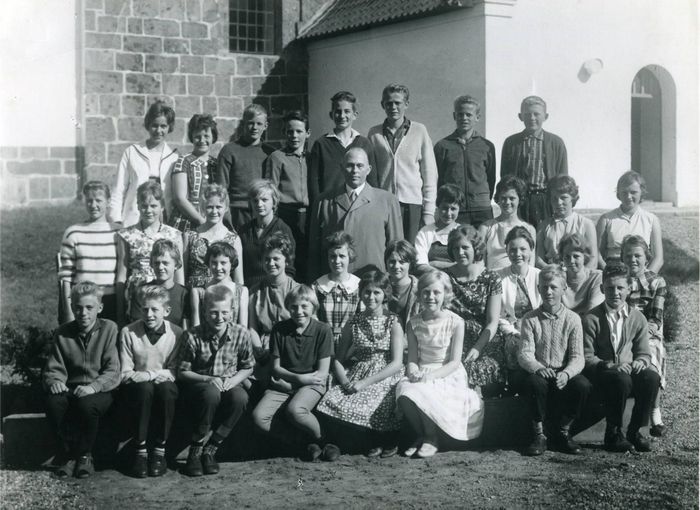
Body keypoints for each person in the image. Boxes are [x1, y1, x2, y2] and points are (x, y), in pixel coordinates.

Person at [395, 271, 484, 458]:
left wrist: (430, 376)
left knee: (426, 390)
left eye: (436, 292)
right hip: (422, 369)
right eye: (426, 292)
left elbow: (454, 362)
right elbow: (412, 357)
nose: (431, 297)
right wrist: (413, 371)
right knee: (404, 393)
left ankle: (431, 439)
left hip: (447, 373)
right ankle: (423, 435)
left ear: (446, 294)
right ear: (419, 295)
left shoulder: (456, 322)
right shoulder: (413, 323)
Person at [316, 270, 405, 458]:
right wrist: (346, 382)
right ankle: (349, 442)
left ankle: (383, 439)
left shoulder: (393, 321)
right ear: (361, 293)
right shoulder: (354, 322)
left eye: (376, 292)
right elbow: (338, 359)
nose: (371, 297)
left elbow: (397, 362)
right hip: (360, 369)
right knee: (333, 398)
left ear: (385, 294)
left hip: (386, 372)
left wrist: (365, 383)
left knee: (374, 398)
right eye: (367, 292)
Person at [251, 285, 340, 462]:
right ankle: (301, 442)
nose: (299, 311)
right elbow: (276, 367)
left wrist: (297, 384)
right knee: (258, 418)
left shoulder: (322, 330)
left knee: (295, 410)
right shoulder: (280, 329)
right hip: (285, 383)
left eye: (304, 306)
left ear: (313, 307)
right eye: (293, 306)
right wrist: (296, 380)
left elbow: (322, 373)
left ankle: (324, 440)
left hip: (313, 383)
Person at [43, 282, 120, 479]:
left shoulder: (109, 329)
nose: (83, 313)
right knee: (54, 403)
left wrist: (94, 387)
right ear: (72, 308)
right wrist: (56, 381)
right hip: (72, 387)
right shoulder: (62, 333)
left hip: (100, 389)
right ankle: (68, 454)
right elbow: (53, 368)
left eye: (89, 307)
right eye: (78, 307)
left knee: (87, 405)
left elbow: (113, 369)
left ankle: (85, 455)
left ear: (99, 308)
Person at [177, 284, 255, 476]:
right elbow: (182, 372)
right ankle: (195, 451)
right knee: (211, 393)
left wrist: (234, 380)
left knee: (241, 398)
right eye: (213, 312)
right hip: (200, 385)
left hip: (228, 382)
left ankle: (211, 448)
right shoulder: (192, 335)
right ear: (204, 311)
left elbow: (248, 366)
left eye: (224, 312)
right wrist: (208, 378)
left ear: (232, 311)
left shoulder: (241, 333)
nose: (219, 318)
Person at [512, 265, 591, 456]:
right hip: (540, 371)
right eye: (544, 287)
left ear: (564, 289)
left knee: (583, 385)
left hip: (562, 371)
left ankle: (563, 431)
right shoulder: (530, 319)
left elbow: (578, 356)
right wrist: (537, 368)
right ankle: (539, 434)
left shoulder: (573, 319)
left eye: (554, 287)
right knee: (533, 383)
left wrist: (567, 373)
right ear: (538, 288)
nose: (548, 291)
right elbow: (525, 353)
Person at [582, 261, 659, 453]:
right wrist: (609, 365)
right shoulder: (592, 318)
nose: (615, 293)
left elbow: (643, 352)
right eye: (609, 288)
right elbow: (586, 356)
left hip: (626, 370)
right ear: (602, 289)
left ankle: (637, 430)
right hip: (602, 372)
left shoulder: (637, 317)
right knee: (621, 379)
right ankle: (613, 432)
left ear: (629, 289)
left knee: (651, 378)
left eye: (620, 288)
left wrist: (641, 362)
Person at [308, 147, 403, 277]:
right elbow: (314, 251)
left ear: (368, 169)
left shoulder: (387, 201)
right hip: (334, 282)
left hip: (372, 283)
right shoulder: (323, 201)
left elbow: (397, 249)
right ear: (341, 168)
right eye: (349, 165)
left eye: (360, 166)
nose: (354, 171)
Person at [119, 285, 182, 477]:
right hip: (138, 390)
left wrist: (149, 375)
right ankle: (140, 451)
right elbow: (125, 372)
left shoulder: (176, 334)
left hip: (163, 385)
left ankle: (159, 451)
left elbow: (174, 370)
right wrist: (145, 378)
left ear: (166, 311)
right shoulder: (129, 332)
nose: (149, 314)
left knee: (167, 389)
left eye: (155, 309)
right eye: (145, 309)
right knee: (144, 388)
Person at [368, 83, 438, 243]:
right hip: (384, 203)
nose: (393, 107)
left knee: (411, 251)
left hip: (412, 204)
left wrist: (428, 211)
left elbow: (430, 174)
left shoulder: (419, 131)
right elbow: (371, 174)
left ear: (406, 104)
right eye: (389, 103)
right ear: (382, 105)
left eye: (397, 102)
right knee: (388, 249)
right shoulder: (374, 134)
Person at [445, 225, 504, 395]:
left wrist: (478, 348)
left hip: (484, 339)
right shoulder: (444, 277)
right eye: (455, 248)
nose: (460, 252)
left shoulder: (491, 278)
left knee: (489, 373)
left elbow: (493, 322)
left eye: (465, 247)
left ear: (476, 248)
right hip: (453, 338)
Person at [116, 181, 183, 326]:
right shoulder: (127, 234)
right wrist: (120, 309)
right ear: (138, 206)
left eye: (153, 206)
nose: (148, 210)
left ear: (162, 206)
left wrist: (179, 302)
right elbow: (122, 272)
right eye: (144, 205)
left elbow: (179, 272)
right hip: (137, 294)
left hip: (165, 292)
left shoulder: (174, 234)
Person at [622, 235, 668, 437]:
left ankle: (654, 411)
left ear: (646, 258)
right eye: (628, 255)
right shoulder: (619, 280)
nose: (633, 260)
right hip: (622, 332)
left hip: (647, 332)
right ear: (622, 257)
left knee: (651, 359)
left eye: (637, 255)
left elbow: (656, 318)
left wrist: (639, 335)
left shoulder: (656, 281)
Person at [58, 180, 120, 324]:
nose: (93, 205)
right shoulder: (73, 233)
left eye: (98, 200)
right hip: (82, 302)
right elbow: (65, 277)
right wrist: (68, 312)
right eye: (89, 200)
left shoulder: (118, 232)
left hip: (111, 300)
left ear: (108, 201)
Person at [500, 96, 568, 226]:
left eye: (536, 114)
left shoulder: (556, 143)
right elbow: (505, 176)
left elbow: (562, 177)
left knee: (545, 238)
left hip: (546, 200)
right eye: (527, 114)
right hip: (520, 200)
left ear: (545, 116)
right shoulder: (511, 143)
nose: (532, 118)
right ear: (520, 116)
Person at [110, 100, 178, 227]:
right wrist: (116, 220)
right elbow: (118, 188)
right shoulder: (132, 152)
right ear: (148, 125)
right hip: (134, 218)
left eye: (163, 126)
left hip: (164, 220)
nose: (158, 130)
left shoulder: (174, 157)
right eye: (154, 125)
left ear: (169, 127)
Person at [434, 94, 496, 227]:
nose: (464, 118)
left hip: (481, 209)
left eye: (469, 115)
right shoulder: (442, 146)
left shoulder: (486, 146)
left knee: (482, 245)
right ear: (454, 116)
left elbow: (491, 178)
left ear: (477, 117)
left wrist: (481, 198)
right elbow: (439, 179)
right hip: (455, 209)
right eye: (460, 114)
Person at [248, 232, 301, 384]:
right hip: (262, 350)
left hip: (290, 347)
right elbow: (252, 327)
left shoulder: (297, 290)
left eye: (276, 259)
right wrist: (258, 350)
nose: (271, 264)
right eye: (267, 259)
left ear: (286, 260)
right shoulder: (255, 291)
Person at [264, 111, 311, 280]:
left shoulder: (311, 157)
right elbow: (272, 190)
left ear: (307, 133)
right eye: (290, 131)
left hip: (308, 216)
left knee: (306, 259)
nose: (294, 136)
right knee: (288, 256)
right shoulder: (277, 158)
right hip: (286, 214)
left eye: (299, 131)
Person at [308, 91, 377, 204]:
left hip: (359, 205)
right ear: (331, 114)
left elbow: (372, 180)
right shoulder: (321, 144)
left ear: (355, 115)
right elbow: (314, 182)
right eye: (338, 111)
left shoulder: (365, 144)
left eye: (347, 111)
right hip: (330, 205)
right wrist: (318, 207)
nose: (342, 116)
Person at [216, 103, 274, 230]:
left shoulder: (270, 153)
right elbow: (221, 187)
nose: (254, 127)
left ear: (266, 126)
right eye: (250, 123)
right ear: (243, 124)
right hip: (237, 212)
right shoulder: (229, 150)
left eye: (259, 124)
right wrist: (226, 214)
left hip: (263, 211)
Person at [596, 171, 664, 272]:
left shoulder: (651, 220)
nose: (628, 196)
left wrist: (645, 279)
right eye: (624, 192)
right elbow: (596, 253)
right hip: (613, 273)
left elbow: (658, 258)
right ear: (618, 193)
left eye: (633, 192)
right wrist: (609, 273)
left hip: (641, 272)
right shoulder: (606, 219)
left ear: (642, 192)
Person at [495, 227, 541, 374]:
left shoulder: (540, 276)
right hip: (510, 334)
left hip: (538, 332)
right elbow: (499, 316)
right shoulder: (498, 277)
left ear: (531, 250)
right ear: (507, 251)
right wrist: (513, 333)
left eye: (523, 249)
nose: (518, 254)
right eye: (513, 250)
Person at [183, 183, 244, 288]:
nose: (214, 211)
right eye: (210, 207)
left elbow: (239, 280)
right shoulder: (189, 236)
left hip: (222, 297)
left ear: (226, 208)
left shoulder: (233, 239)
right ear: (203, 208)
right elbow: (181, 275)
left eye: (219, 207)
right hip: (193, 295)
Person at [238, 179, 296, 288]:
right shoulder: (244, 230)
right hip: (249, 290)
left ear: (274, 202)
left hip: (273, 289)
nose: (259, 204)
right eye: (255, 200)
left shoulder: (282, 229)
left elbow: (289, 268)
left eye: (264, 200)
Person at [311, 232, 363, 347]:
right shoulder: (318, 286)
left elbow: (363, 320)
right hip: (323, 343)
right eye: (333, 256)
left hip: (351, 344)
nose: (337, 261)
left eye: (342, 256)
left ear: (350, 256)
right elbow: (313, 319)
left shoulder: (358, 285)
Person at [169, 114, 218, 233]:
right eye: (197, 136)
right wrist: (202, 221)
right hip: (185, 223)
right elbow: (179, 198)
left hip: (212, 221)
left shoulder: (217, 164)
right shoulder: (184, 161)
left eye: (206, 136)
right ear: (192, 137)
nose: (202, 140)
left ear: (213, 137)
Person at [536, 175, 597, 269]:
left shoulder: (586, 224)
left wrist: (579, 276)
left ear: (573, 198)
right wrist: (553, 272)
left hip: (579, 274)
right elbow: (538, 259)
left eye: (563, 198)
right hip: (552, 275)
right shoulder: (544, 226)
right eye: (554, 199)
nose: (559, 203)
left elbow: (593, 258)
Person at [479, 176, 536, 271]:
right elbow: (480, 263)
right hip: (493, 279)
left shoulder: (529, 229)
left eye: (512, 198)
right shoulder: (486, 228)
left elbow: (531, 264)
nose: (507, 202)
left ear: (520, 199)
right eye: (503, 198)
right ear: (498, 199)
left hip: (518, 279)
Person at [190, 242, 248, 328]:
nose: (218, 268)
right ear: (208, 263)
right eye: (214, 263)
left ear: (231, 264)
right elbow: (196, 326)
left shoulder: (241, 291)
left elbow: (243, 328)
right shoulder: (198, 292)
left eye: (223, 263)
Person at [414, 184, 463, 275]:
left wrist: (434, 264)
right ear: (438, 206)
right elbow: (421, 265)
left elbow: (466, 265)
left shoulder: (463, 232)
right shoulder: (425, 232)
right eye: (444, 208)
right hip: (432, 279)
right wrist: (447, 270)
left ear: (459, 209)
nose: (448, 213)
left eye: (453, 209)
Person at [560, 234, 604, 316]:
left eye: (576, 256)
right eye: (567, 257)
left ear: (585, 256)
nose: (571, 261)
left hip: (587, 322)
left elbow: (593, 309)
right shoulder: (558, 278)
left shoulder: (596, 277)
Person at [148, 239, 189, 328]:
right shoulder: (143, 291)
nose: (160, 267)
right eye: (156, 263)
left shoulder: (184, 294)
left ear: (176, 265)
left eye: (165, 263)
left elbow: (186, 329)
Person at [384, 241, 421, 331]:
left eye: (402, 262)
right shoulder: (380, 286)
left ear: (410, 263)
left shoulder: (420, 288)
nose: (396, 266)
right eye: (392, 261)